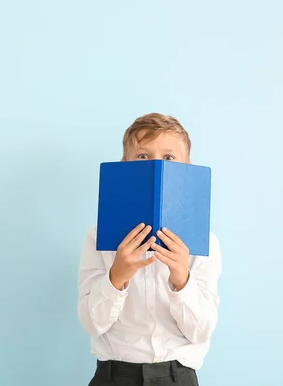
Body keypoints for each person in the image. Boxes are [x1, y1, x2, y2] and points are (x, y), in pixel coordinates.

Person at [78, 113, 222, 386]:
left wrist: (181, 278)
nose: (156, 164)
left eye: (169, 157)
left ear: (187, 168)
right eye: (142, 156)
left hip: (177, 377)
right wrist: (116, 277)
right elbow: (91, 323)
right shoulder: (97, 237)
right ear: (124, 167)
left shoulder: (204, 243)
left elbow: (202, 331)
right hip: (113, 377)